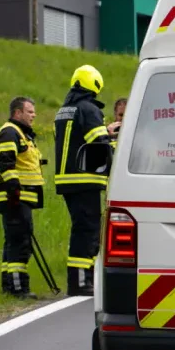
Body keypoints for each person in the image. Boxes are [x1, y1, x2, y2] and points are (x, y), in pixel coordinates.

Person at [54, 65, 118, 296]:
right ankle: (80, 282)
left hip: (67, 179)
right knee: (87, 230)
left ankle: (81, 279)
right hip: (85, 179)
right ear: (95, 84)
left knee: (81, 229)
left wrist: (106, 131)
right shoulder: (89, 109)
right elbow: (98, 144)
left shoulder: (65, 109)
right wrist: (114, 154)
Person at [0, 96, 45, 299]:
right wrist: (13, 190)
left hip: (20, 198)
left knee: (14, 241)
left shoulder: (22, 134)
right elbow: (5, 161)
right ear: (17, 113)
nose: (34, 115)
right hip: (15, 198)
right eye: (29, 111)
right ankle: (18, 288)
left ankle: (8, 285)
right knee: (20, 243)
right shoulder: (10, 132)